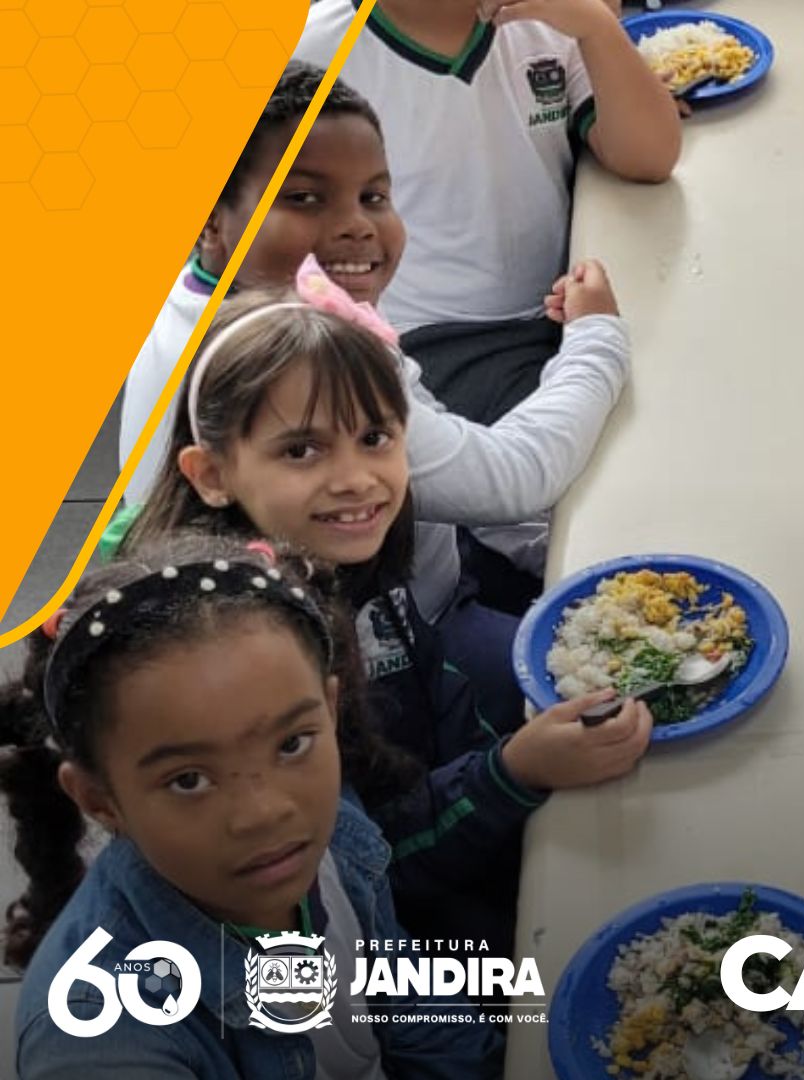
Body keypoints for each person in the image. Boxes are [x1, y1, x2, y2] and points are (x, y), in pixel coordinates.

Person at [122, 285, 652, 957]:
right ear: (211, 475)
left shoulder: (349, 551)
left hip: (435, 787)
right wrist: (513, 772)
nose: (356, 479)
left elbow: (422, 681)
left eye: (375, 437)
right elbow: (362, 870)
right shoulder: (247, 666)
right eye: (301, 451)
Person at [114, 64, 630, 706]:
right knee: (608, 689)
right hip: (387, 658)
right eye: (303, 198)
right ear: (209, 220)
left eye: (375, 196)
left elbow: (450, 467)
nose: (357, 225)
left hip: (370, 604)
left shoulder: (200, 297)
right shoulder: (303, 348)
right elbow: (512, 478)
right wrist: (596, 339)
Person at [5, 535, 498, 1078]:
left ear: (329, 713)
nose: (265, 813)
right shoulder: (99, 1037)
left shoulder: (335, 828)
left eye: (291, 744)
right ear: (100, 800)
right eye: (189, 779)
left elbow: (420, 1015)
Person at [294, 0, 680, 423]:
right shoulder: (313, 51)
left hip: (567, 307)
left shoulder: (551, 23)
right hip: (429, 339)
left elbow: (649, 158)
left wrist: (598, 29)